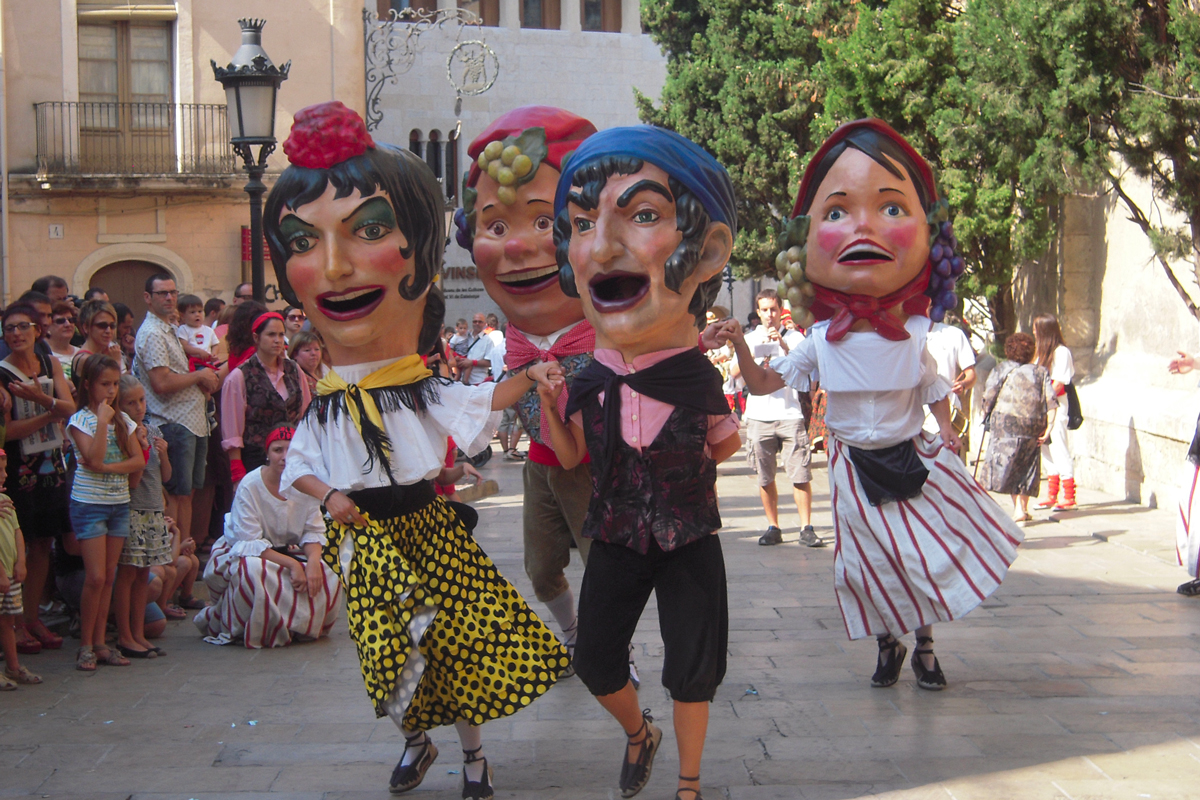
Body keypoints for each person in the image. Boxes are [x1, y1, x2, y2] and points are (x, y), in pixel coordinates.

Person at [263, 100, 568, 797]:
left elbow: (479, 400)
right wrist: (332, 497)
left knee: (451, 648)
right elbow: (301, 468)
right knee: (384, 653)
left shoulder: (416, 385)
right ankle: (414, 741)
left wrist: (531, 372)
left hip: (427, 528)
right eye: (304, 243)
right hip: (366, 534)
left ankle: (475, 760)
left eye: (368, 230)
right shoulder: (332, 396)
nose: (335, 268)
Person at [720, 119, 1024, 694]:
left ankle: (926, 649)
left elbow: (932, 388)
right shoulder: (814, 340)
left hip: (909, 457)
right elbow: (761, 384)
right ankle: (888, 644)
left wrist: (948, 431)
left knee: (920, 560)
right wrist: (738, 339)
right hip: (849, 466)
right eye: (835, 214)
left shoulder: (913, 331)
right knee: (865, 565)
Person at [542, 125, 743, 800]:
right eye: (579, 224)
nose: (600, 247)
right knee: (595, 659)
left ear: (705, 250)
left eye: (645, 215)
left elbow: (725, 443)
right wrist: (548, 403)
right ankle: (638, 733)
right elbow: (570, 454)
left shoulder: (695, 378)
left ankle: (688, 786)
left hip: (689, 536)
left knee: (693, 669)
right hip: (619, 534)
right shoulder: (585, 379)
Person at [455, 106, 621, 679]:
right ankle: (575, 636)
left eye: (545, 222)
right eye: (495, 227)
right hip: (542, 465)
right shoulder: (518, 343)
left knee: (604, 564)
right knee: (539, 566)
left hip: (595, 466)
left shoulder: (609, 331)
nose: (519, 247)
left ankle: (609, 652)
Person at [195, 425, 340, 647]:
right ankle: (259, 626)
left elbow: (313, 531)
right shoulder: (250, 485)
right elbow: (249, 541)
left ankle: (300, 626)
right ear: (267, 453)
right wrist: (293, 566)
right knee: (254, 571)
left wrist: (311, 563)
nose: (284, 457)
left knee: (328, 569)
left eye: (290, 451)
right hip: (246, 551)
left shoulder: (307, 484)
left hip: (288, 549)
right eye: (277, 450)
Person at [0, 303, 74, 656]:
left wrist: (39, 399)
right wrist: (48, 414)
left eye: (22, 327)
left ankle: (31, 618)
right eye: (9, 328)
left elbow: (69, 407)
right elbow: (7, 431)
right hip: (17, 468)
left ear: (35, 330)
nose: (16, 334)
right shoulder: (2, 374)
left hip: (50, 462)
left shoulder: (50, 363)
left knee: (44, 541)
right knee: (19, 546)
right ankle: (13, 623)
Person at [67, 354, 144, 670]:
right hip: (90, 503)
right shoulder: (80, 421)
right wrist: (100, 421)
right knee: (96, 576)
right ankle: (86, 644)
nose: (111, 391)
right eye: (104, 384)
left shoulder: (124, 421)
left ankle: (100, 642)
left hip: (117, 502)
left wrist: (108, 468)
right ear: (89, 385)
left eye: (114, 384)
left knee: (109, 576)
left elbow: (136, 460)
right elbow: (92, 454)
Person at [133, 274, 221, 547]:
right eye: (162, 293)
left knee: (189, 493)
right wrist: (200, 377)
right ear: (148, 298)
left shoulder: (169, 328)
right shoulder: (152, 333)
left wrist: (204, 367)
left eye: (172, 292)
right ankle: (176, 558)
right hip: (172, 422)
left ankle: (186, 562)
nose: (169, 298)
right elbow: (161, 382)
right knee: (177, 495)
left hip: (191, 421)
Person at [737, 289, 820, 547]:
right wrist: (749, 355)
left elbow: (807, 375)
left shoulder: (795, 338)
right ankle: (773, 526)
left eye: (773, 309)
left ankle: (806, 526)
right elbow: (733, 373)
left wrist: (783, 347)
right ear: (758, 312)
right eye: (764, 310)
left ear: (780, 309)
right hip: (759, 414)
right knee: (765, 475)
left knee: (800, 473)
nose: (769, 315)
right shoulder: (749, 339)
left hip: (789, 412)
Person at [112, 374, 173, 658]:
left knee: (142, 575)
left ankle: (138, 633)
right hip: (133, 509)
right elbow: (133, 479)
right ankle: (125, 634)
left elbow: (166, 476)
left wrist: (164, 455)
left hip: (153, 509)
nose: (138, 407)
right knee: (127, 575)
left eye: (141, 400)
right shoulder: (123, 432)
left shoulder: (153, 429)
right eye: (130, 403)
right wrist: (143, 448)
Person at [977, 332, 1057, 524]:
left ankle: (984, 505)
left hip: (1005, 424)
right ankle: (1021, 508)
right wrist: (1049, 427)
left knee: (1001, 464)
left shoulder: (1001, 369)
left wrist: (984, 412)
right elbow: (1051, 401)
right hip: (1032, 424)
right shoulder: (1040, 372)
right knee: (1027, 464)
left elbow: (989, 394)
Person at [221, 311, 311, 478]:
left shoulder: (294, 369)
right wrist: (237, 470)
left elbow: (305, 414)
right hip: (256, 457)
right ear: (256, 338)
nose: (277, 340)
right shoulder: (240, 376)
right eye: (271, 335)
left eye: (280, 334)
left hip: (293, 453)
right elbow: (232, 429)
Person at [0, 451, 41, 689]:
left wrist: (21, 562)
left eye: (4, 470)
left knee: (8, 621)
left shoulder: (6, 501)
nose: (4, 476)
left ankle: (13, 666)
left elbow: (16, 531)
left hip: (11, 573)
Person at [1034, 313, 1077, 510]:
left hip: (1057, 407)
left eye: (1036, 328)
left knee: (1059, 444)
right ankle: (1052, 493)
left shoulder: (1061, 353)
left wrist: (1043, 397)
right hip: (1041, 408)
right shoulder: (1040, 353)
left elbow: (1059, 384)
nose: (1033, 332)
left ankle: (1069, 495)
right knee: (1045, 447)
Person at [922, 316, 977, 456]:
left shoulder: (954, 334)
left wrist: (963, 384)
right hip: (917, 421)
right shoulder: (907, 335)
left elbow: (971, 374)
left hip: (948, 416)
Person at [72, 300, 125, 381]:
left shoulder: (104, 353)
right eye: (102, 325)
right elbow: (113, 387)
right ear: (86, 327)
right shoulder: (85, 359)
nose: (108, 331)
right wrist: (116, 362)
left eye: (112, 326)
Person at [457, 313, 498, 386]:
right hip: (461, 381)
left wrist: (472, 362)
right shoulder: (465, 336)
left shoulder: (488, 341)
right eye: (475, 321)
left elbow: (489, 362)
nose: (477, 324)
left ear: (485, 324)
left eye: (480, 322)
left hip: (478, 381)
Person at [176, 294, 220, 359]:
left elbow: (215, 344)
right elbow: (184, 346)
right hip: (193, 362)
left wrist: (214, 353)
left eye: (200, 311)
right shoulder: (183, 329)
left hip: (207, 362)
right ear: (183, 316)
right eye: (192, 312)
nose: (197, 315)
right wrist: (199, 352)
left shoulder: (209, 330)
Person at [46, 301, 80, 383]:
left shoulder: (80, 352)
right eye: (60, 321)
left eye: (71, 320)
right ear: (48, 326)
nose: (68, 324)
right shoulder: (45, 356)